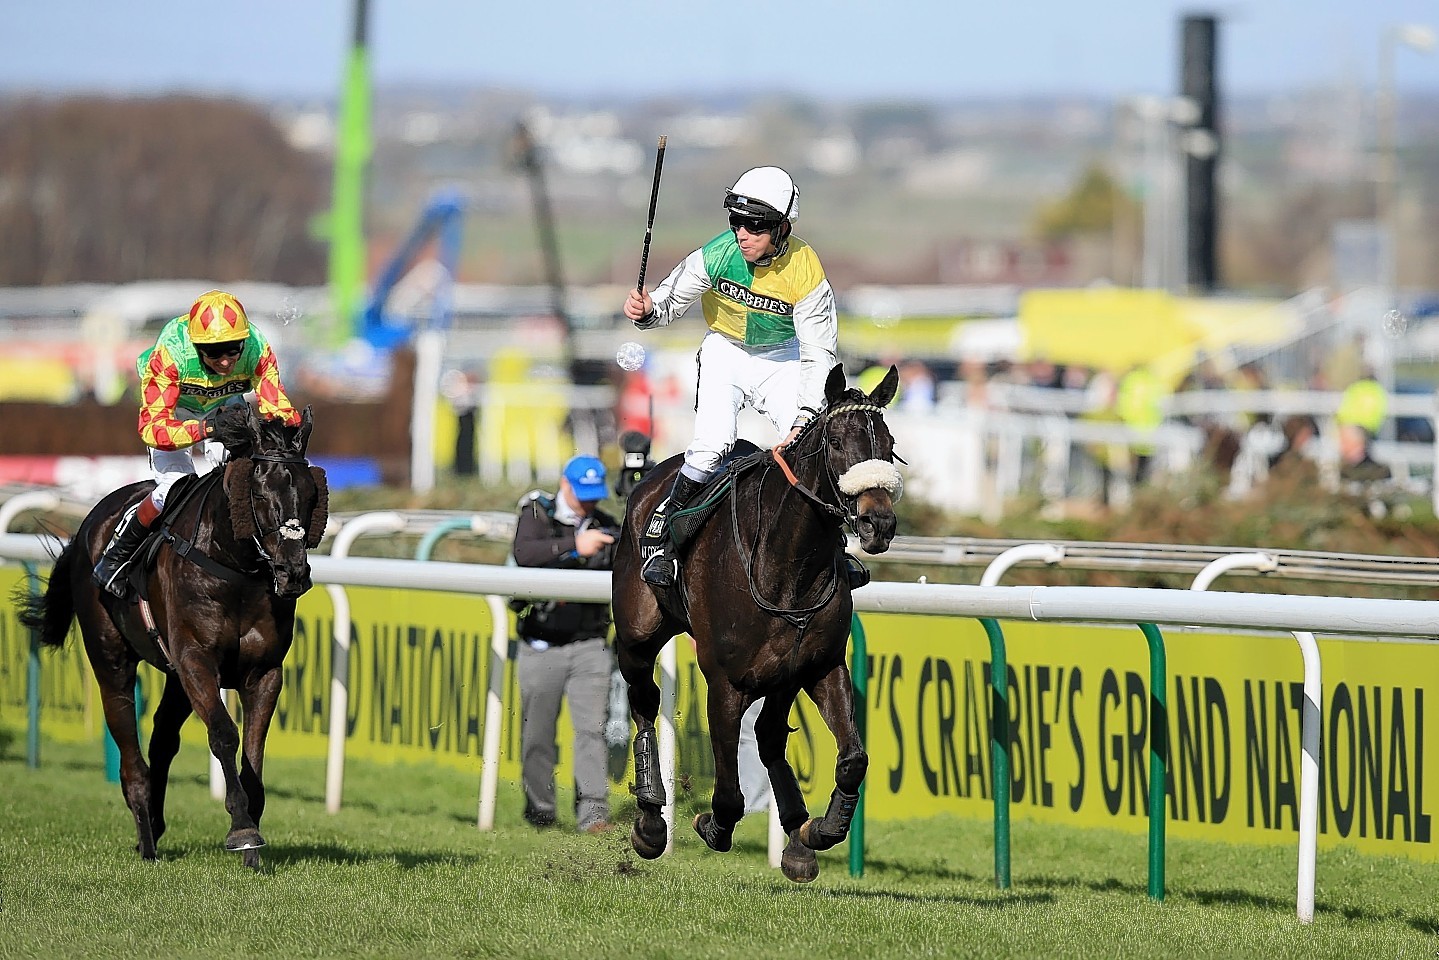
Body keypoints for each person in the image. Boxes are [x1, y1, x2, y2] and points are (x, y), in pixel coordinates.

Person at [621, 165, 840, 587]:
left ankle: (834, 549)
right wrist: (646, 312)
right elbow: (667, 303)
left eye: (755, 225)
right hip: (726, 351)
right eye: (736, 221)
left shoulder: (807, 270)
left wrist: (805, 416)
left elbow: (819, 354)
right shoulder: (717, 253)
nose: (742, 233)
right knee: (709, 448)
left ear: (782, 228)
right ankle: (668, 547)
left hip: (783, 357)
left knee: (812, 443)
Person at [92, 289, 300, 597]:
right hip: (174, 412)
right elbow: (153, 429)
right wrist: (208, 428)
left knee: (249, 480)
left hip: (225, 406)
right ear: (197, 346)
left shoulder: (258, 348)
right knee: (173, 488)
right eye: (215, 353)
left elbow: (276, 404)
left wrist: (289, 428)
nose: (227, 361)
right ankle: (117, 556)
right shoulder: (171, 353)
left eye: (233, 349)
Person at [511, 454, 619, 834]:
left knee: (592, 729)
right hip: (541, 641)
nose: (589, 503)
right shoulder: (536, 513)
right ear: (565, 484)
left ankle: (594, 815)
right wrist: (575, 545)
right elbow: (525, 554)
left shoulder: (607, 525)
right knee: (537, 734)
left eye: (594, 495)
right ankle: (540, 810)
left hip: (590, 644)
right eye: (582, 494)